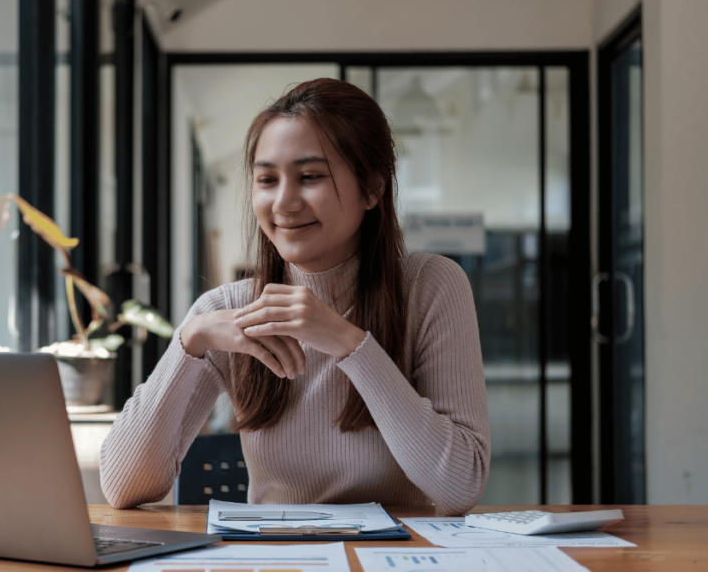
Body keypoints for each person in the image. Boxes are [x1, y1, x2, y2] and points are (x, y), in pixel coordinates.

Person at [99, 78, 489, 516]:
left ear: (372, 188)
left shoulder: (431, 286)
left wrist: (350, 344)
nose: (283, 202)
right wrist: (190, 340)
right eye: (267, 179)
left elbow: (460, 485)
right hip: (275, 557)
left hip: (395, 557)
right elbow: (122, 486)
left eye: (309, 177)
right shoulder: (225, 312)